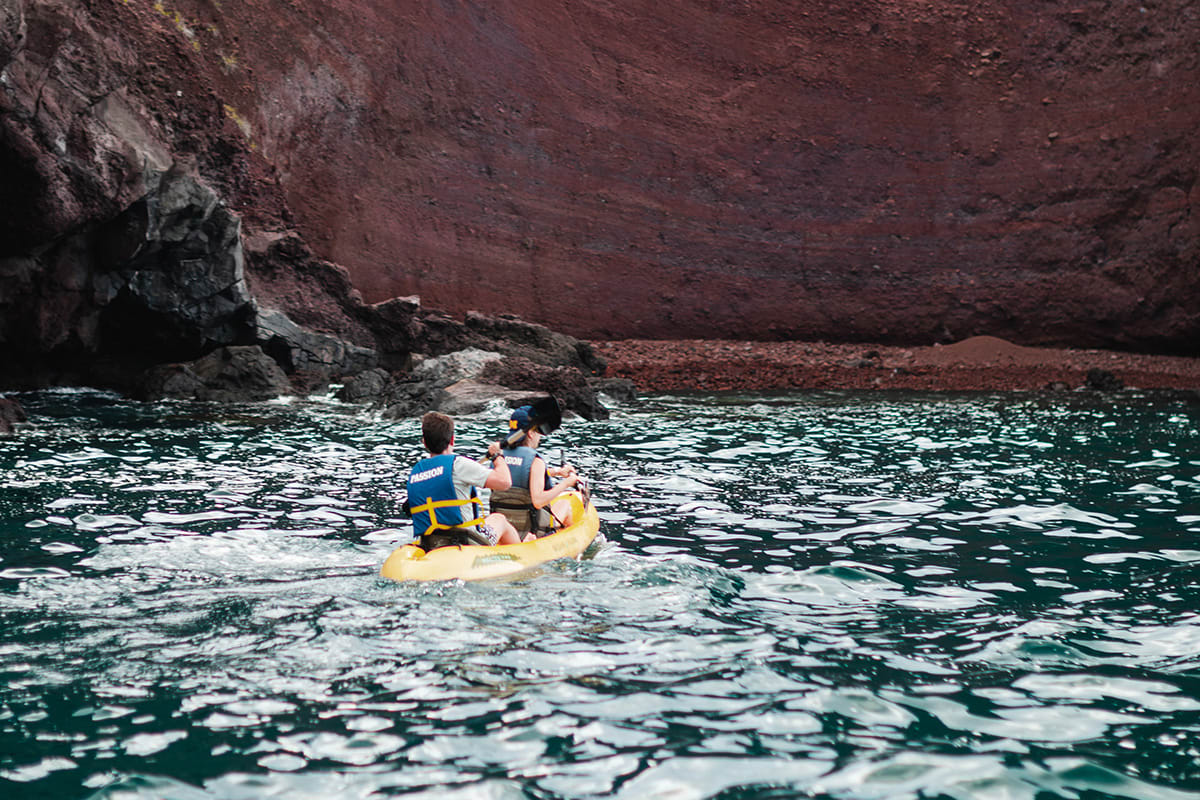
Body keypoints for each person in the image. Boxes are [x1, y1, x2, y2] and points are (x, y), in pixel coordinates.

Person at [406, 411, 531, 549]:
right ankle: (521, 552)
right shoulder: (459, 464)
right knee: (499, 519)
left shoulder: (416, 472)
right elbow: (505, 482)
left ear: (424, 443)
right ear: (452, 440)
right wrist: (497, 456)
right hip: (465, 539)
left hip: (431, 540)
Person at [486, 404, 581, 535]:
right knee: (564, 504)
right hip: (531, 529)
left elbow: (518, 475)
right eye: (539, 431)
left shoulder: (498, 457)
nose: (540, 436)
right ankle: (564, 542)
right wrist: (567, 483)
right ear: (530, 433)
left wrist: (556, 472)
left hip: (505, 525)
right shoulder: (536, 461)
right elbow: (538, 501)